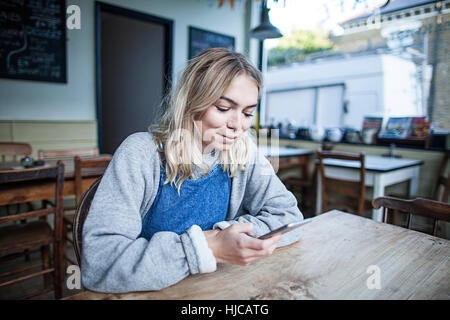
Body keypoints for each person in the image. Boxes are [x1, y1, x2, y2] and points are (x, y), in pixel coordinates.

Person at [81, 48, 304, 293]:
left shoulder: (245, 153)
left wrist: (228, 236)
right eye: (222, 108)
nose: (237, 125)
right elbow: (100, 265)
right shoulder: (140, 153)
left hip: (216, 288)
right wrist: (208, 247)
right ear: (191, 102)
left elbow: (289, 216)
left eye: (248, 113)